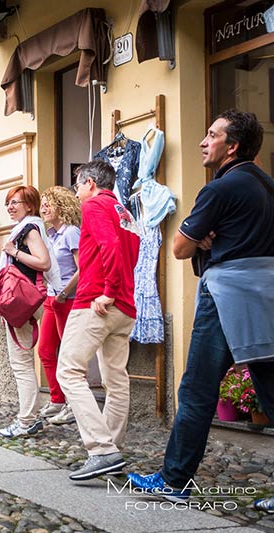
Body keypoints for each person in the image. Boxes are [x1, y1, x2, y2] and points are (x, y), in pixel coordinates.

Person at [128, 109, 274, 499]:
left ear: (233, 146)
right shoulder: (267, 186)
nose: (203, 142)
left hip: (226, 295)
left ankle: (174, 480)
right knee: (272, 390)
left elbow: (178, 247)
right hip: (266, 295)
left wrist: (201, 238)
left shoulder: (220, 188)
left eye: (212, 135)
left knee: (196, 390)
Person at [56, 160, 140, 481]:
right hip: (125, 307)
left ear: (90, 183)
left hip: (98, 302)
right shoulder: (124, 211)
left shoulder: (94, 206)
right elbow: (130, 250)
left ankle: (102, 450)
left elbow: (110, 246)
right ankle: (112, 451)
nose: (77, 194)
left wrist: (108, 290)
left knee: (69, 371)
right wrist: (118, 291)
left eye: (77, 186)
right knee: (116, 381)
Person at [0, 185, 62, 439]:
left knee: (21, 364)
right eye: (8, 203)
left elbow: (43, 262)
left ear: (30, 206)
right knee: (23, 362)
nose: (11, 207)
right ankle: (29, 416)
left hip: (21, 303)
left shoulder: (29, 230)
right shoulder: (30, 227)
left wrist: (13, 252)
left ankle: (27, 420)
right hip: (24, 301)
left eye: (16, 202)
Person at [37, 186, 81, 425]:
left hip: (68, 299)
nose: (43, 208)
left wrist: (65, 293)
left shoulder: (71, 233)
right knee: (45, 350)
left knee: (68, 355)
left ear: (61, 207)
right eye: (42, 203)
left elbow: (82, 268)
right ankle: (57, 399)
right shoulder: (51, 236)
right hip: (52, 299)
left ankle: (74, 406)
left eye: (48, 204)